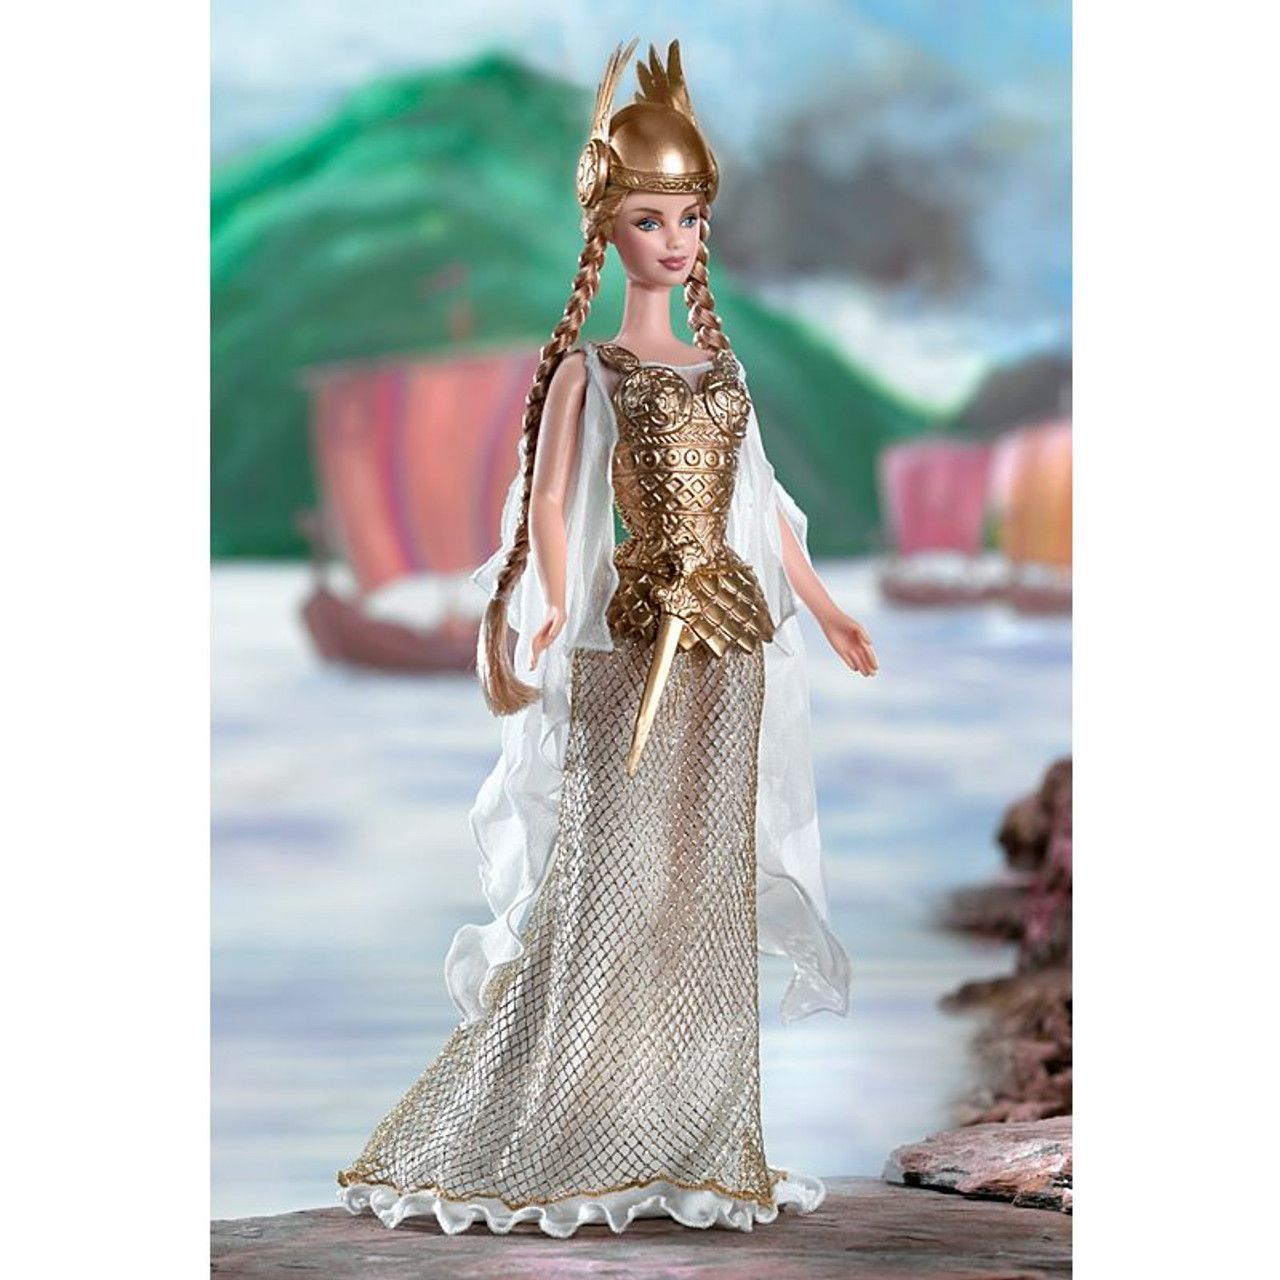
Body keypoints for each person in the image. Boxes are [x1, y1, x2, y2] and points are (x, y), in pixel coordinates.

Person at [337, 37, 878, 1239]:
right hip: (628, 641)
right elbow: (547, 497)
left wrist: (823, 600)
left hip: (726, 643)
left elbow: (761, 505)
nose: (673, 240)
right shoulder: (591, 368)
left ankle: (684, 1129)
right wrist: (545, 596)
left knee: (698, 888)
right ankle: (560, 1114)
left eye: (686, 218)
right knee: (605, 877)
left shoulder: (722, 367)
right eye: (648, 219)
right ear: (605, 230)